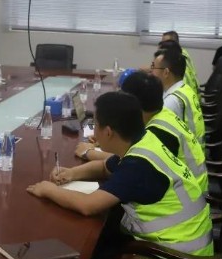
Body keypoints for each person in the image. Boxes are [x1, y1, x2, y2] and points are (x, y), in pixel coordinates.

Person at [26, 92, 213, 256]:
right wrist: (72, 173)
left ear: (108, 132)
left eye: (95, 125)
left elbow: (88, 205)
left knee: (96, 252)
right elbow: (104, 167)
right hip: (189, 244)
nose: (94, 131)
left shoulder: (136, 167)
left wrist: (48, 190)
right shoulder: (145, 141)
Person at [74, 72, 208, 193]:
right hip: (188, 186)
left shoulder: (158, 132)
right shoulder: (162, 114)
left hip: (189, 192)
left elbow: (129, 160)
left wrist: (88, 152)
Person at [151, 48, 206, 147]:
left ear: (166, 72)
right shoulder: (185, 88)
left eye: (153, 67)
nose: (151, 71)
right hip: (195, 151)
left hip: (184, 155)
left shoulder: (171, 103)